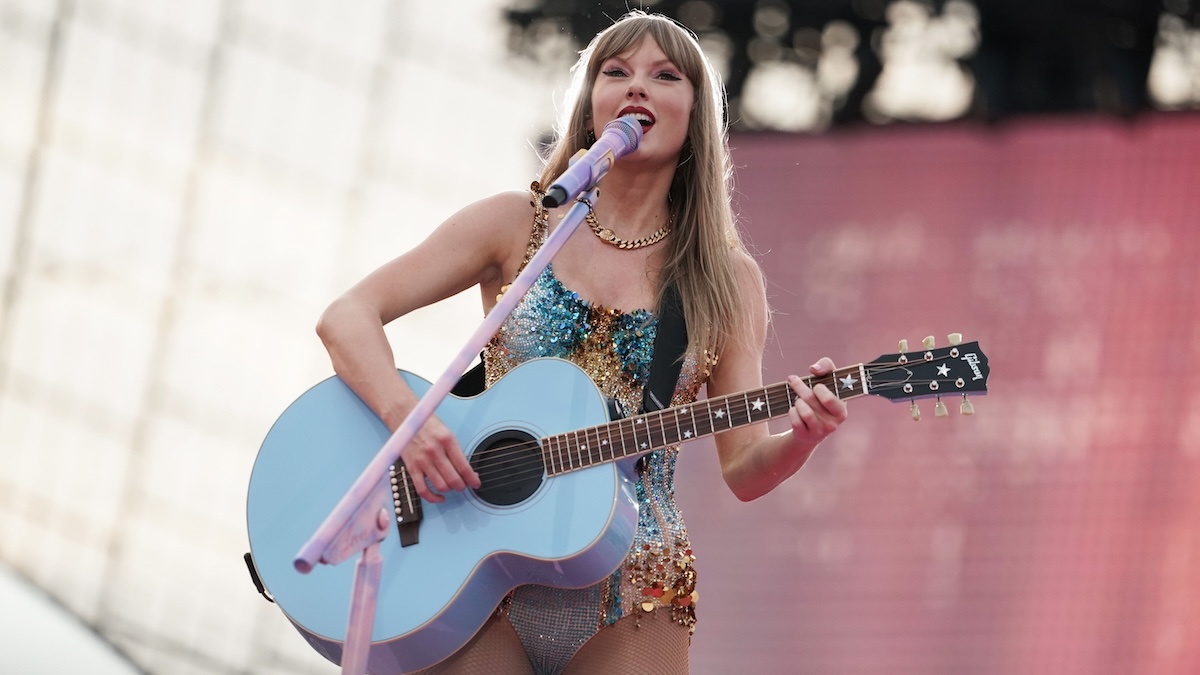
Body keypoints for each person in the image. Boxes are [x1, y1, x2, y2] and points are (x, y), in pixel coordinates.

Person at [315, 10, 848, 675]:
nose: (636, 88)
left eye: (664, 75)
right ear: (592, 102)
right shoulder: (519, 225)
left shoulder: (725, 280)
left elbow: (743, 467)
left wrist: (801, 437)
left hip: (635, 588)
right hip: (476, 570)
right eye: (615, 72)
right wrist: (410, 424)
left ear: (695, 119)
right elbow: (348, 316)